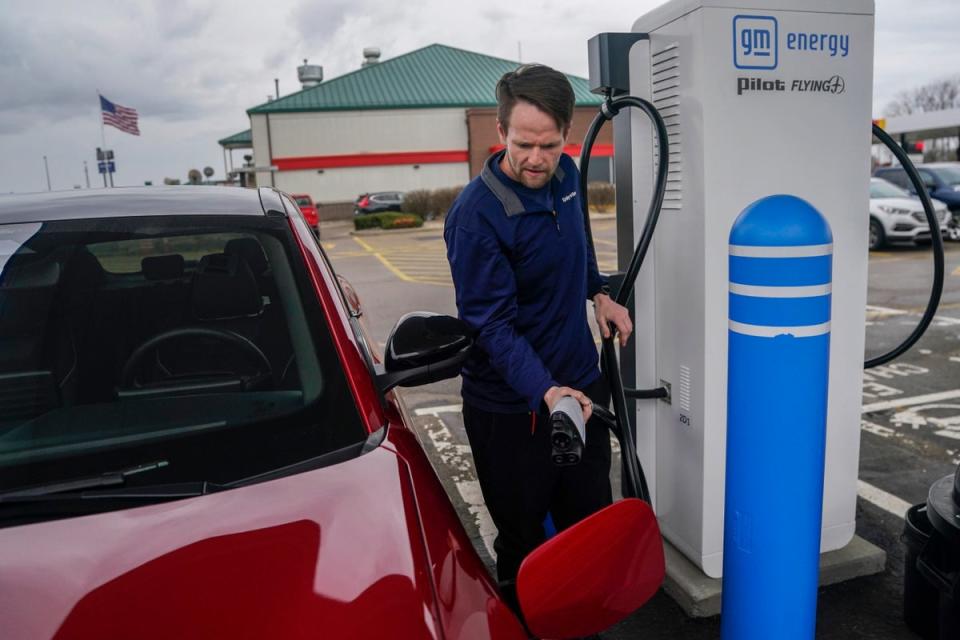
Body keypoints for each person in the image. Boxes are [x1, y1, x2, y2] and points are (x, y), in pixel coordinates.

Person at [443, 64, 633, 616]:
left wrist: (599, 293)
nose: (536, 158)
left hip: (580, 387)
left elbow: (579, 242)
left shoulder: (567, 177)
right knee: (526, 542)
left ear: (565, 140)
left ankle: (585, 623)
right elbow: (492, 327)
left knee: (589, 522)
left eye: (549, 145)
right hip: (512, 411)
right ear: (501, 133)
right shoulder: (476, 218)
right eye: (524, 143)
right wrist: (546, 393)